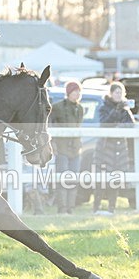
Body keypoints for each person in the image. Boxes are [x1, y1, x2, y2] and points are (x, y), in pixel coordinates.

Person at [92, 81, 134, 215]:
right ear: (111, 93)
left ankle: (112, 208)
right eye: (116, 92)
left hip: (119, 147)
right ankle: (96, 207)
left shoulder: (124, 108)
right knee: (101, 179)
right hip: (105, 147)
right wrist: (116, 111)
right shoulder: (104, 107)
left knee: (115, 179)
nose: (118, 95)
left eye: (121, 93)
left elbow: (131, 124)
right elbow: (105, 123)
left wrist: (122, 122)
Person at [50, 81, 84, 214]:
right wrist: (53, 143)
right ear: (69, 92)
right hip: (61, 148)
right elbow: (50, 125)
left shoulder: (80, 108)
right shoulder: (57, 107)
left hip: (75, 148)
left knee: (74, 178)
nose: (77, 94)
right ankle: (62, 208)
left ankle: (71, 208)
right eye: (75, 91)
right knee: (62, 178)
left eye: (79, 91)